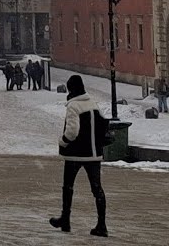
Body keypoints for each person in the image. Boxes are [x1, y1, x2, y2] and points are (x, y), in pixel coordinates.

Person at [49, 75, 108, 238]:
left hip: (75, 154)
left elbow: (72, 131)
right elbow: (103, 124)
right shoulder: (93, 103)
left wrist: (63, 141)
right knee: (97, 189)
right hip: (94, 154)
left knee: (68, 187)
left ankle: (65, 219)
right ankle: (102, 224)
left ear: (71, 89)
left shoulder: (73, 106)